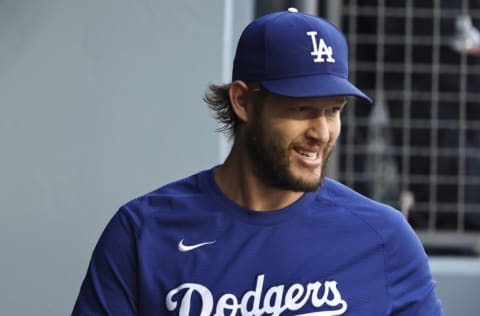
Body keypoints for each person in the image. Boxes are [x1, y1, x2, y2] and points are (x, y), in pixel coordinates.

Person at [72, 8, 444, 315]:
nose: (322, 132)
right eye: (301, 109)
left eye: (333, 110)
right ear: (243, 102)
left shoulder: (383, 239)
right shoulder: (143, 232)